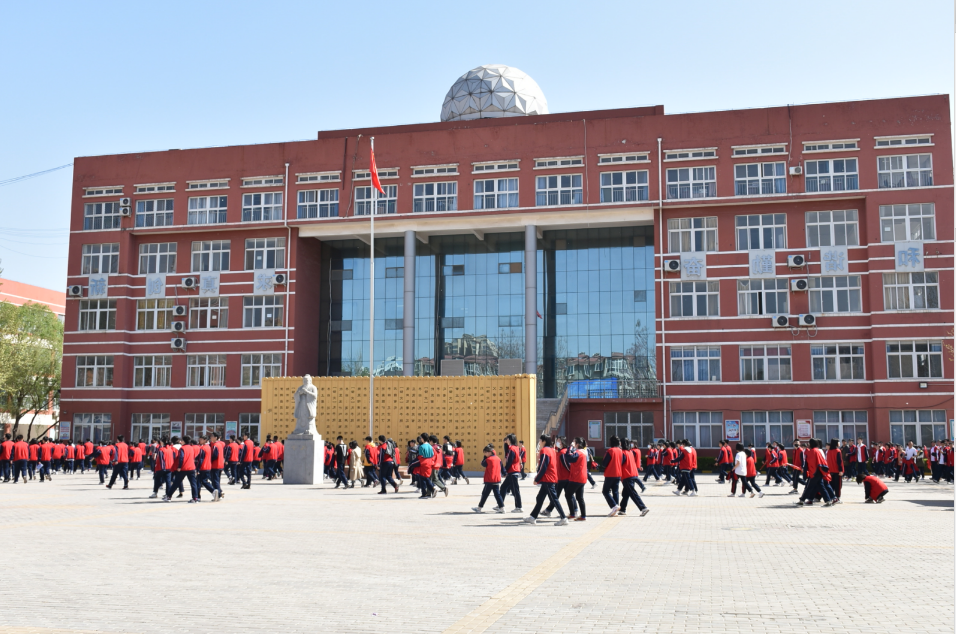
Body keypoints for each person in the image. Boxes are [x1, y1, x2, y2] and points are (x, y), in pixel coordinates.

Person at [522, 435, 568, 526]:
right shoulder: (551, 450)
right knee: (540, 497)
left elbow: (543, 466)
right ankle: (533, 517)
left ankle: (563, 518)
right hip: (549, 478)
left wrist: (537, 478)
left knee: (554, 499)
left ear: (543, 441)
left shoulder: (545, 450)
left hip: (548, 478)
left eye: (540, 440)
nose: (539, 442)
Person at [541, 437, 572, 518]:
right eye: (557, 440)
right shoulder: (560, 452)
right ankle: (549, 510)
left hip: (562, 478)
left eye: (558, 441)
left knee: (556, 496)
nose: (557, 442)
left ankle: (550, 511)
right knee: (564, 495)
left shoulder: (562, 452)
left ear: (563, 442)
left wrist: (571, 473)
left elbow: (566, 465)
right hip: (561, 477)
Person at [618, 439, 650, 516]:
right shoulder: (630, 452)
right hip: (632, 474)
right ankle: (622, 509)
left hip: (627, 475)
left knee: (632, 493)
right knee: (626, 493)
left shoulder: (623, 453)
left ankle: (643, 508)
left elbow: (620, 464)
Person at [472, 444, 505, 513]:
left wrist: (485, 457)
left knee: (485, 494)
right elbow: (502, 467)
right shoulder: (498, 458)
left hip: (490, 479)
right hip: (496, 479)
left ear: (489, 452)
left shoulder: (488, 459)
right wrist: (504, 473)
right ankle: (502, 508)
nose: (485, 454)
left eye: (485, 453)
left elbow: (483, 464)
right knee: (497, 494)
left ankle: (479, 508)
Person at [563, 438, 588, 521]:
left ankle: (572, 513)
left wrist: (570, 447)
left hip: (576, 477)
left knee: (568, 494)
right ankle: (583, 515)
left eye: (574, 441)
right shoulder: (583, 452)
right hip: (582, 477)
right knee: (580, 498)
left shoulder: (578, 452)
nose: (572, 442)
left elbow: (569, 457)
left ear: (577, 444)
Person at [601, 435, 624, 516]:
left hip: (610, 473)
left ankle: (614, 506)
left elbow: (604, 463)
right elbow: (622, 461)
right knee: (615, 491)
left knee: (605, 491)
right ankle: (616, 509)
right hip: (618, 473)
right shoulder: (621, 451)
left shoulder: (610, 451)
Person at [499, 435, 522, 512]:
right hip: (514, 470)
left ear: (510, 440)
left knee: (515, 490)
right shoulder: (516, 448)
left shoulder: (511, 448)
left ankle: (519, 507)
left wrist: (505, 471)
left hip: (512, 471)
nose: (507, 441)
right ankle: (500, 505)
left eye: (507, 439)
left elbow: (509, 461)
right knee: (503, 487)